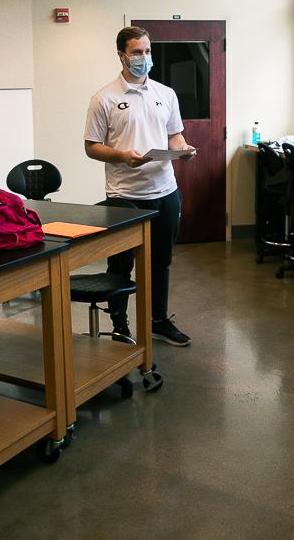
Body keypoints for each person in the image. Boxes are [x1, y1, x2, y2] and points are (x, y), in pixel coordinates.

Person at [84, 26, 196, 347]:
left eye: (147, 51)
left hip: (165, 192)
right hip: (125, 197)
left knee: (161, 263)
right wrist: (121, 156)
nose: (144, 58)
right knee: (120, 264)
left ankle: (158, 321)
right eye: (136, 52)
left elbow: (174, 135)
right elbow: (91, 146)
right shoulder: (103, 99)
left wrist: (183, 148)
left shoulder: (166, 94)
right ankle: (120, 325)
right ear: (121, 55)